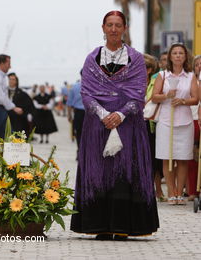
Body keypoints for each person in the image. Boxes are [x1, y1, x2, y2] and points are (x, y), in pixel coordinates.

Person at [70, 11, 159, 240]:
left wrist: (120, 114)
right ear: (103, 28)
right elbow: (86, 92)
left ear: (125, 28)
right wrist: (103, 114)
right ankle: (100, 225)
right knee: (99, 172)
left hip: (128, 124)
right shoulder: (92, 58)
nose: (113, 29)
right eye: (109, 25)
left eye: (118, 25)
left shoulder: (136, 58)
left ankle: (122, 226)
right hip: (97, 126)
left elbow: (139, 93)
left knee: (124, 172)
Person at [152, 43, 198, 205]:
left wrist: (183, 100)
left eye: (181, 53)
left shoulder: (190, 76)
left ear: (185, 57)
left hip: (185, 122)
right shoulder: (163, 75)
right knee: (167, 158)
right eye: (175, 53)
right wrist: (167, 95)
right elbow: (154, 96)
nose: (178, 55)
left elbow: (195, 98)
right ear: (170, 57)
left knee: (183, 158)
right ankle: (171, 192)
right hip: (166, 121)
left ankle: (180, 192)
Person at [143, 54, 165, 201]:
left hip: (152, 124)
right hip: (136, 124)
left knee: (154, 159)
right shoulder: (133, 82)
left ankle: (158, 190)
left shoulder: (155, 81)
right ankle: (145, 189)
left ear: (149, 69)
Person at [187, 55, 201, 201]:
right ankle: (192, 191)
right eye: (197, 64)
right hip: (192, 120)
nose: (200, 66)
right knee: (192, 157)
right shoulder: (190, 81)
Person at [67, 70, 85, 153]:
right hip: (89, 114)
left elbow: (69, 103)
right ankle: (85, 151)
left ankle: (79, 150)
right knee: (89, 133)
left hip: (78, 113)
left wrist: (69, 115)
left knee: (79, 133)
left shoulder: (74, 87)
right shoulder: (93, 86)